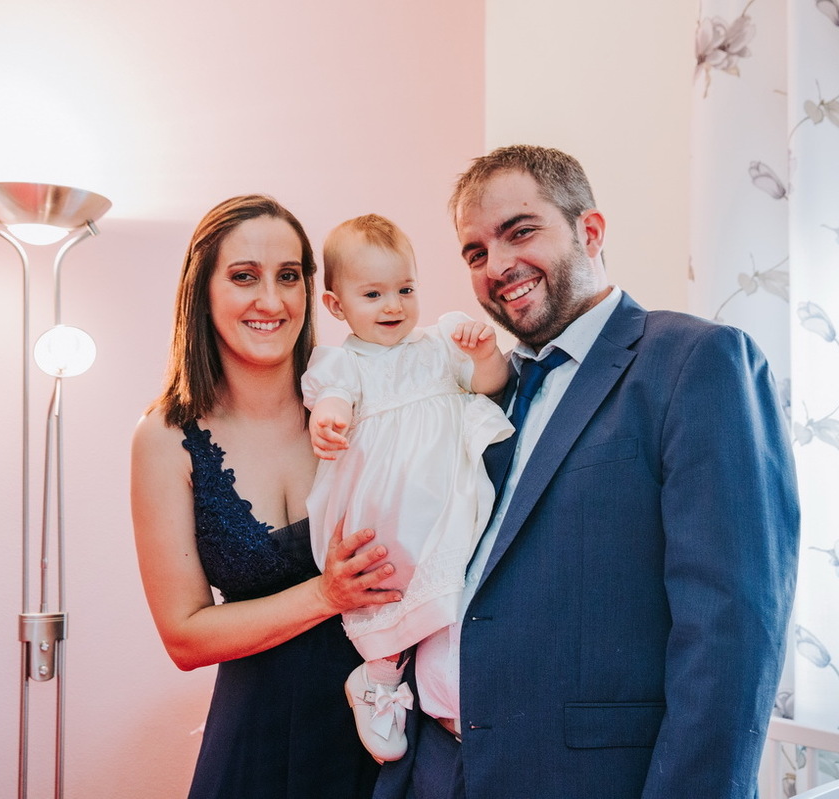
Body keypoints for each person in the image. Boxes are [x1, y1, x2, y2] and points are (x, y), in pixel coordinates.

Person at [373, 145, 800, 799]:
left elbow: (732, 629)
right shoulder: (484, 385)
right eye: (475, 252)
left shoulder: (694, 361)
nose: (497, 266)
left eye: (520, 232)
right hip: (435, 769)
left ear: (590, 231)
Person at [131, 195, 402, 799]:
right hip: (257, 745)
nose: (272, 301)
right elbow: (184, 637)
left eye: (289, 276)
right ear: (202, 290)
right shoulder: (165, 439)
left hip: (389, 736)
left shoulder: (368, 403)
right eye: (244, 277)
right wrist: (326, 594)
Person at [302, 214, 513, 762]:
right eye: (373, 294)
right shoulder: (343, 362)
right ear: (336, 306)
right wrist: (328, 417)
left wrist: (484, 355)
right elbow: (331, 397)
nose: (393, 305)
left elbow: (490, 387)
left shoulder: (440, 344)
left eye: (405, 289)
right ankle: (377, 675)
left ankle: (452, 694)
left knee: (455, 593)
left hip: (448, 501)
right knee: (388, 585)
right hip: (387, 506)